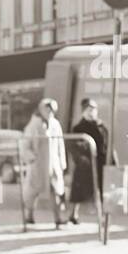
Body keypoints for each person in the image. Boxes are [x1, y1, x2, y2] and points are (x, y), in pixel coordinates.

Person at [20, 97, 67, 227]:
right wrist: (31, 158)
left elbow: (60, 144)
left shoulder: (55, 124)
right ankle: (29, 215)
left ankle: (57, 218)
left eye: (51, 109)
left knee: (56, 190)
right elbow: (25, 144)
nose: (49, 111)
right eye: (46, 109)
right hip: (38, 163)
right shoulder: (33, 125)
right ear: (41, 109)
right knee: (32, 191)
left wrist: (62, 161)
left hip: (53, 163)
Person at [65, 97, 113, 225]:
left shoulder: (102, 126)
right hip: (85, 163)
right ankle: (73, 214)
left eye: (93, 109)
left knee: (103, 190)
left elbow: (108, 145)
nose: (91, 111)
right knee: (78, 188)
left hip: (101, 162)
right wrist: (81, 159)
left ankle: (103, 216)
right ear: (83, 111)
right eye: (89, 109)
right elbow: (74, 146)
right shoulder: (78, 127)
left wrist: (113, 161)